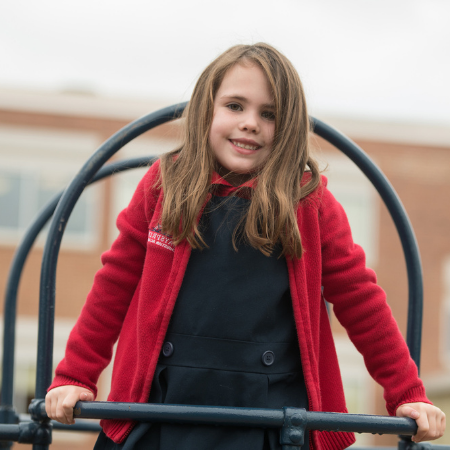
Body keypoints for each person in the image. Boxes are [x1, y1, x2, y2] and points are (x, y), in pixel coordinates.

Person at [45, 43, 445, 450]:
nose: (250, 123)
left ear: (287, 127)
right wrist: (76, 375)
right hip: (162, 409)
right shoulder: (164, 186)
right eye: (235, 106)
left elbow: (361, 300)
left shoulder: (309, 203)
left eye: (268, 114)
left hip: (269, 419)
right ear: (207, 111)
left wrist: (407, 391)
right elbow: (115, 284)